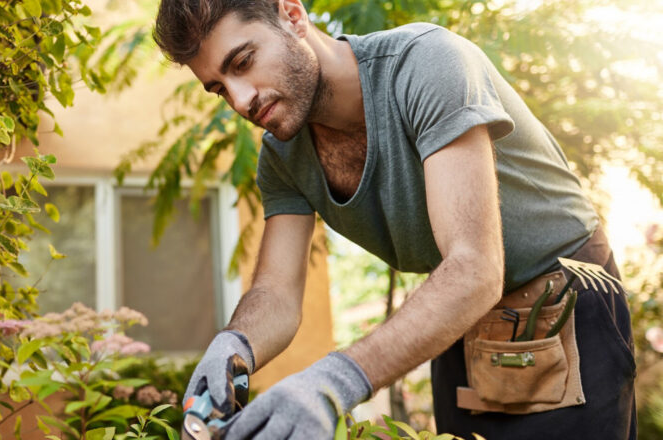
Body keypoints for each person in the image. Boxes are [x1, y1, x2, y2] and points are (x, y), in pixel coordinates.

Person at [152, 0, 637, 438]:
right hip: (455, 315)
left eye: (243, 62)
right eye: (219, 88)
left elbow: (474, 267)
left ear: (292, 17)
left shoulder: (427, 63)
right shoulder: (282, 156)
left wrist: (332, 380)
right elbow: (276, 294)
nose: (240, 101)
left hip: (564, 304)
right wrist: (234, 344)